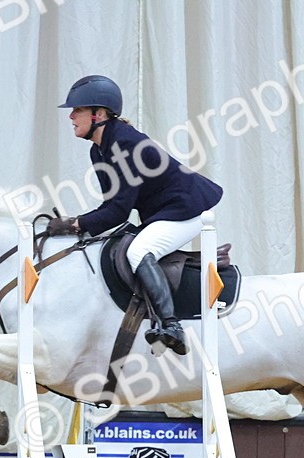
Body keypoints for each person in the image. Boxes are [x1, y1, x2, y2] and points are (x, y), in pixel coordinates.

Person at [47, 75, 223, 355]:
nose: (71, 116)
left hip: (187, 208)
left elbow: (117, 212)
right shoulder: (99, 150)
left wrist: (75, 224)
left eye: (77, 110)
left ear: (99, 114)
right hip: (163, 210)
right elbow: (111, 206)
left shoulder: (125, 145)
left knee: (139, 251)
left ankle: (171, 325)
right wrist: (76, 224)